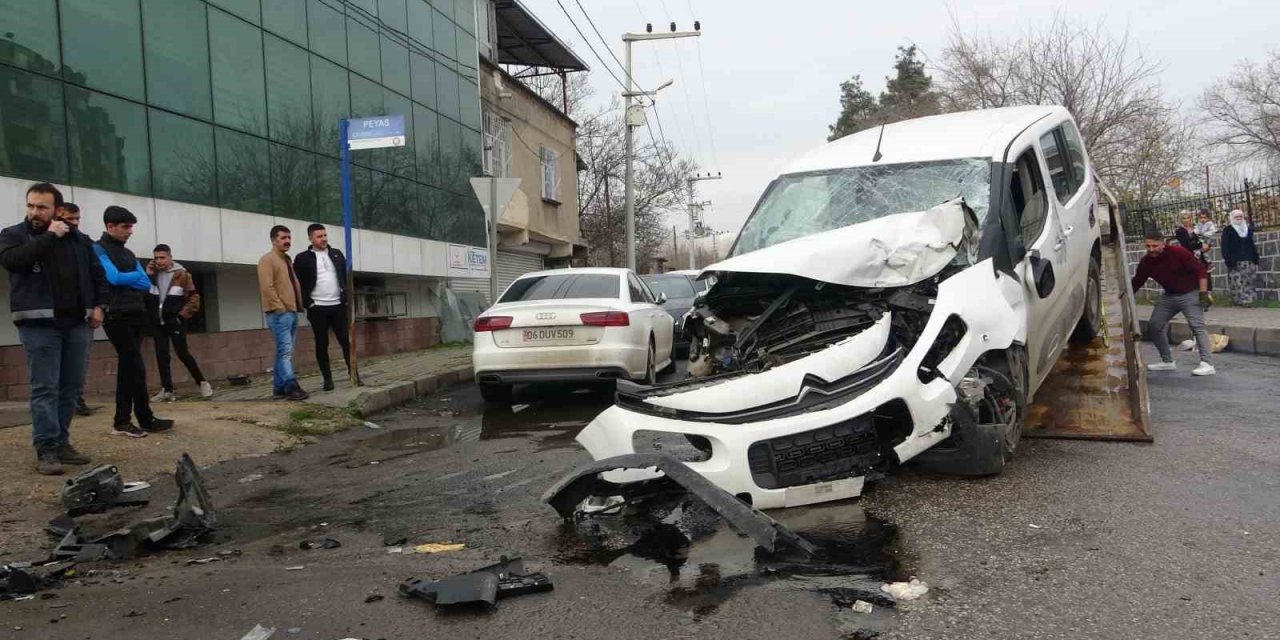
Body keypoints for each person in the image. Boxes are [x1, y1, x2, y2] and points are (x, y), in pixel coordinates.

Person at [0, 183, 106, 475]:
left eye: (42, 207)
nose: (35, 212)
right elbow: (12, 261)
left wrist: (99, 305)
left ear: (57, 210)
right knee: (45, 388)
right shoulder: (14, 235)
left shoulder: (79, 240)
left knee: (71, 388)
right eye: (31, 206)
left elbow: (97, 274)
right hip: (39, 325)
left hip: (77, 324)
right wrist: (48, 236)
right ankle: (46, 448)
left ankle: (61, 443)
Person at [94, 206, 174, 437]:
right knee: (135, 367)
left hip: (135, 313)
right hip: (116, 315)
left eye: (131, 227)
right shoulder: (98, 249)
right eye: (125, 227)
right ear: (110, 226)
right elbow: (113, 277)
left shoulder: (128, 254)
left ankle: (127, 420)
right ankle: (138, 419)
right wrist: (134, 277)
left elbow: (143, 283)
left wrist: (131, 278)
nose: (130, 231)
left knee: (129, 369)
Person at [1130, 231, 1215, 376]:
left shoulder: (1179, 252)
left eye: (1155, 246)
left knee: (1197, 325)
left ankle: (1207, 364)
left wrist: (1203, 294)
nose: (1151, 249)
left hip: (1191, 293)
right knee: (1154, 325)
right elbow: (1137, 281)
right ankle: (1167, 361)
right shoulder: (1146, 261)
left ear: (1163, 244)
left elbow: (1201, 271)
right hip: (1170, 296)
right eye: (1148, 246)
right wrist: (1122, 297)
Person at [147, 245, 213, 401]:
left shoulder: (182, 275)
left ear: (170, 257)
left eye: (162, 257)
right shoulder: (153, 275)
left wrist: (181, 316)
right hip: (158, 322)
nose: (159, 261)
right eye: (156, 258)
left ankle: (202, 382)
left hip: (175, 321)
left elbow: (194, 298)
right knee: (161, 355)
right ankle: (167, 390)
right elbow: (146, 296)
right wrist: (149, 275)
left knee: (182, 353)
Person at [293, 224, 351, 391]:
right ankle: (327, 379)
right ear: (311, 238)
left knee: (346, 341)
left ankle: (353, 372)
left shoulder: (337, 254)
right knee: (321, 343)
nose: (324, 239)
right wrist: (308, 303)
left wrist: (345, 297)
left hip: (338, 306)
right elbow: (299, 284)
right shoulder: (303, 258)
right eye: (319, 236)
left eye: (325, 235)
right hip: (318, 307)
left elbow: (345, 277)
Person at [258, 225, 309, 401]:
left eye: (289, 237)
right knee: (286, 351)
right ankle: (291, 386)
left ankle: (279, 388)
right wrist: (279, 307)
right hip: (279, 313)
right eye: (283, 238)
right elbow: (267, 286)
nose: (287, 241)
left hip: (291, 311)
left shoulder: (286, 259)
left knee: (284, 351)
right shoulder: (267, 260)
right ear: (274, 240)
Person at [56, 202, 96, 417]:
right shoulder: (47, 241)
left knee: (75, 373)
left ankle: (76, 401)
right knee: (48, 383)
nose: (73, 224)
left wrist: (99, 306)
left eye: (76, 219)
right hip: (51, 319)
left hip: (81, 317)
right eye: (67, 219)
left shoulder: (84, 243)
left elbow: (98, 276)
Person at [1220, 209, 1261, 307]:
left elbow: (1251, 244)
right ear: (1232, 218)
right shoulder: (1228, 230)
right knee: (1237, 281)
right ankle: (1238, 301)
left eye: (1240, 216)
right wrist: (1228, 259)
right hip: (1235, 260)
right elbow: (1225, 245)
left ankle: (1248, 301)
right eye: (1236, 217)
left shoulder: (1248, 229)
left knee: (1249, 281)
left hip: (1248, 259)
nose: (1239, 218)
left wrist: (1255, 256)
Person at [1174, 211, 1212, 289]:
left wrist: (1207, 246)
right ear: (1181, 220)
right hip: (1190, 257)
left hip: (1200, 256)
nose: (1186, 220)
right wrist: (1201, 246)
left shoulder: (1194, 229)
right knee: (1195, 279)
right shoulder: (1180, 231)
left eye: (1188, 218)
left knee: (1205, 276)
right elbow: (1187, 245)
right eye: (1184, 218)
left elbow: (1202, 239)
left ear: (1191, 219)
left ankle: (1206, 295)